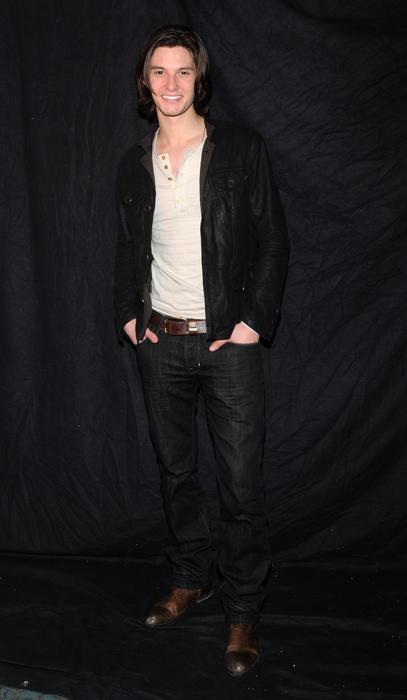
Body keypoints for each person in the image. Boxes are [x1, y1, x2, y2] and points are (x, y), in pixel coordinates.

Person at [113, 24, 289, 676]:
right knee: (176, 474)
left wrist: (252, 323)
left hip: (228, 345)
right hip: (160, 342)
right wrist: (128, 318)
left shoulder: (240, 148)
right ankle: (192, 577)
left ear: (199, 79)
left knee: (240, 486)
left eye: (182, 70)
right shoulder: (134, 161)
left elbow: (273, 239)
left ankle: (243, 607)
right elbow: (126, 248)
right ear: (145, 81)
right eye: (159, 71)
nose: (170, 83)